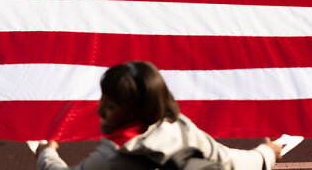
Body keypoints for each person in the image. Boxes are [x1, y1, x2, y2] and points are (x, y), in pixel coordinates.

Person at [36, 61, 282, 169]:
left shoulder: (116, 158)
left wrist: (46, 153)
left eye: (109, 106)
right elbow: (228, 163)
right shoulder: (181, 129)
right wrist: (265, 155)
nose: (100, 110)